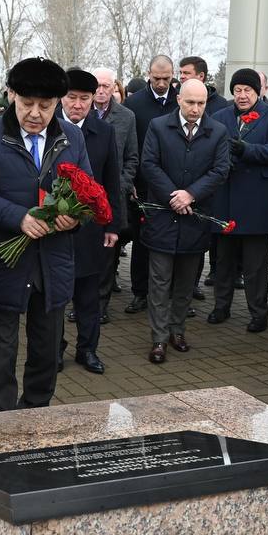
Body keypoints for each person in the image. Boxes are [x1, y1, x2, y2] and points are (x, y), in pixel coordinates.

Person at [0, 58, 90, 412]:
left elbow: (87, 190)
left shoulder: (73, 137)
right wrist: (18, 218)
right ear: (11, 95)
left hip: (53, 263)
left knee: (48, 350)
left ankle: (36, 413)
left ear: (58, 104)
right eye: (26, 104)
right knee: (1, 355)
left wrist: (74, 217)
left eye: (46, 106)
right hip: (3, 261)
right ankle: (3, 423)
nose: (35, 114)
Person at [140, 79, 231, 363]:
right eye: (190, 102)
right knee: (159, 281)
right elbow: (149, 164)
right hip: (163, 217)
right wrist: (173, 196)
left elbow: (220, 170)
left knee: (185, 281)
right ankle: (158, 338)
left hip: (194, 219)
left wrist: (191, 194)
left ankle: (177, 330)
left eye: (201, 104)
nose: (195, 109)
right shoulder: (158, 126)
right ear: (179, 99)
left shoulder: (217, 132)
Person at [208, 68, 268, 332]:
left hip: (256, 200)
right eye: (237, 90)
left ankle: (258, 313)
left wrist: (246, 149)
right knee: (223, 259)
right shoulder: (219, 116)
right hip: (225, 197)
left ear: (258, 92)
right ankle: (221, 306)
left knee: (256, 263)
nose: (242, 96)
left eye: (248, 90)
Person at [58, 69, 122, 374]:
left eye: (84, 98)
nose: (78, 105)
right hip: (54, 226)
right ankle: (54, 349)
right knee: (55, 295)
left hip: (89, 228)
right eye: (72, 98)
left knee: (89, 296)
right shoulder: (49, 130)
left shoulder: (103, 131)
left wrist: (112, 225)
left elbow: (112, 179)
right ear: (62, 98)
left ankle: (88, 349)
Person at [122, 54, 179, 314]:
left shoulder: (180, 101)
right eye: (156, 78)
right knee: (142, 240)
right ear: (148, 74)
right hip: (143, 184)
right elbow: (129, 146)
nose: (161, 83)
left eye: (166, 78)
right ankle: (140, 292)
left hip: (175, 183)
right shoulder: (134, 104)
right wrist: (131, 180)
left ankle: (171, 293)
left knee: (172, 240)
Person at [92, 66, 138, 322]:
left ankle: (101, 305)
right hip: (81, 197)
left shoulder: (126, 117)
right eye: (97, 86)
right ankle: (81, 303)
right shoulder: (79, 113)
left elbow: (133, 157)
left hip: (113, 197)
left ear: (114, 88)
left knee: (108, 254)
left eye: (106, 86)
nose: (101, 91)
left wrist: (120, 184)